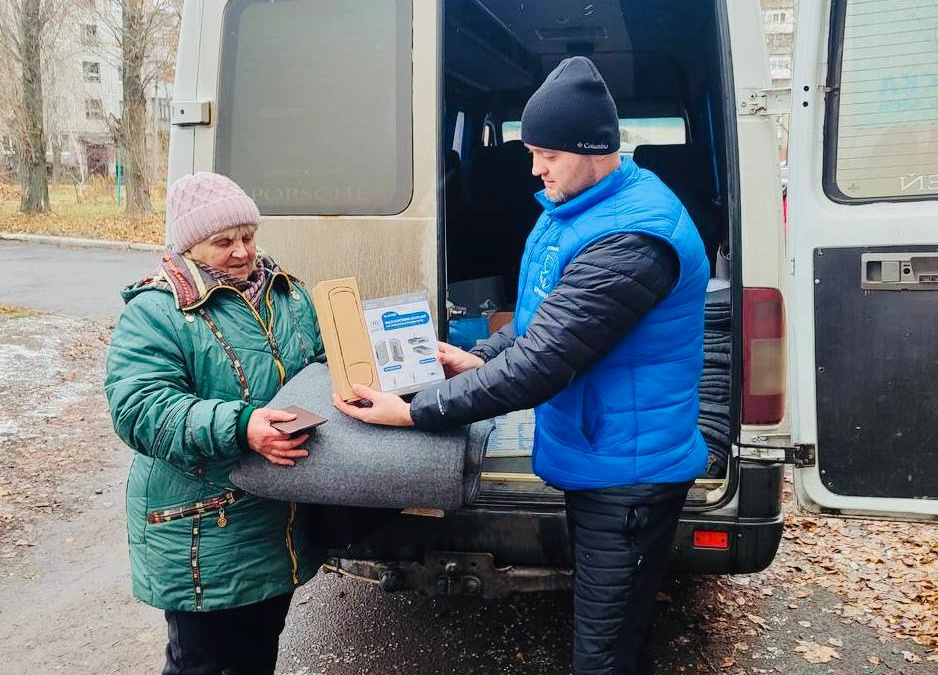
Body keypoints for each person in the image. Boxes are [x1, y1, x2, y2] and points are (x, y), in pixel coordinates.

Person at [334, 56, 710, 675]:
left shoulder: (632, 239)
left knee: (604, 652)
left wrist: (415, 411)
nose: (533, 168)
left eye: (547, 154)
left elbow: (543, 363)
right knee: (611, 630)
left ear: (593, 148)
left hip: (630, 473)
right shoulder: (580, 207)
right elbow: (544, 323)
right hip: (602, 451)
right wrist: (475, 357)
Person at [105, 171, 325, 675]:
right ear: (189, 248)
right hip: (200, 526)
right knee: (201, 665)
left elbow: (316, 366)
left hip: (274, 520)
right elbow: (139, 408)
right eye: (222, 242)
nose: (242, 252)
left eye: (247, 236)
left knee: (256, 655)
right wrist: (242, 425)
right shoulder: (157, 312)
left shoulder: (287, 295)